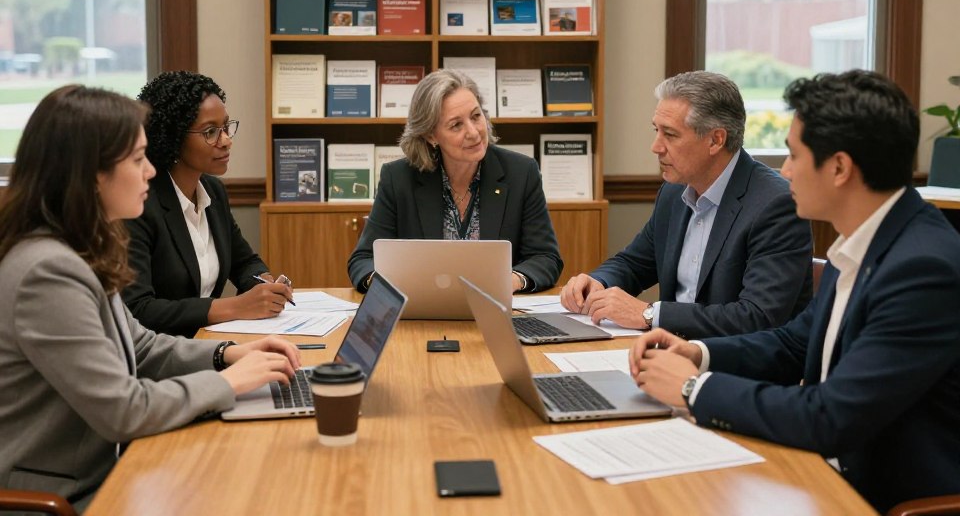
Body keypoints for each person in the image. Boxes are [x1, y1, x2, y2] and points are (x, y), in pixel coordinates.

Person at [629, 70, 960, 513]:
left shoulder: (921, 268)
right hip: (822, 466)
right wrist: (698, 354)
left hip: (878, 494)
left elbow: (830, 416)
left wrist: (693, 389)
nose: (784, 171)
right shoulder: (869, 239)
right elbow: (792, 341)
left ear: (839, 168)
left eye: (793, 155)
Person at [0, 86, 300, 512]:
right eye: (138, 160)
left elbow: (138, 345)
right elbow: (122, 410)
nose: (150, 173)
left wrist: (228, 354)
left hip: (107, 470)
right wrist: (227, 382)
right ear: (91, 173)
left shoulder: (75, 248)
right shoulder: (46, 272)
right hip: (61, 496)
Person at [560, 71, 812, 337]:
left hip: (734, 367)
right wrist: (597, 283)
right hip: (669, 352)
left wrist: (650, 314)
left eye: (670, 134)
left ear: (716, 140)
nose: (656, 147)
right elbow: (634, 263)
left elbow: (756, 317)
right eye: (656, 131)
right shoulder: (674, 191)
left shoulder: (776, 204)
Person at [347, 68, 562, 293]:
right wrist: (387, 284)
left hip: (496, 310)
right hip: (423, 313)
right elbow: (363, 260)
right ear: (431, 135)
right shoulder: (399, 179)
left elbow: (546, 257)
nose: (474, 132)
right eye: (456, 125)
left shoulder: (521, 173)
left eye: (476, 116)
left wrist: (513, 280)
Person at [122, 71, 293, 337]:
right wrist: (235, 307)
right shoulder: (141, 203)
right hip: (162, 355)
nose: (226, 140)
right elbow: (139, 309)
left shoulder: (212, 190)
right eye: (210, 132)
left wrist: (265, 285)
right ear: (173, 137)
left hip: (209, 343)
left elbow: (245, 262)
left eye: (226, 127)